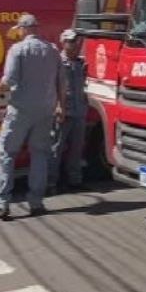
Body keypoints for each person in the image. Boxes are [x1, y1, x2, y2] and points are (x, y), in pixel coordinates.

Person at [0, 13, 64, 220]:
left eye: (19, 30)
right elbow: (61, 81)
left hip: (20, 109)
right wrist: (61, 106)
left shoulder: (17, 50)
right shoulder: (52, 50)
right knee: (39, 154)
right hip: (46, 110)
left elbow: (10, 80)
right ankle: (36, 202)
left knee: (6, 154)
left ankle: (2, 204)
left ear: (23, 29)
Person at [49, 29, 89, 194]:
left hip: (79, 111)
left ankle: (75, 181)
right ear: (63, 43)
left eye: (76, 41)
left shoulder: (81, 63)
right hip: (64, 111)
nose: (74, 45)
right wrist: (58, 106)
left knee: (76, 149)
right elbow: (52, 87)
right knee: (56, 148)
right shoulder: (57, 63)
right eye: (71, 41)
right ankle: (51, 184)